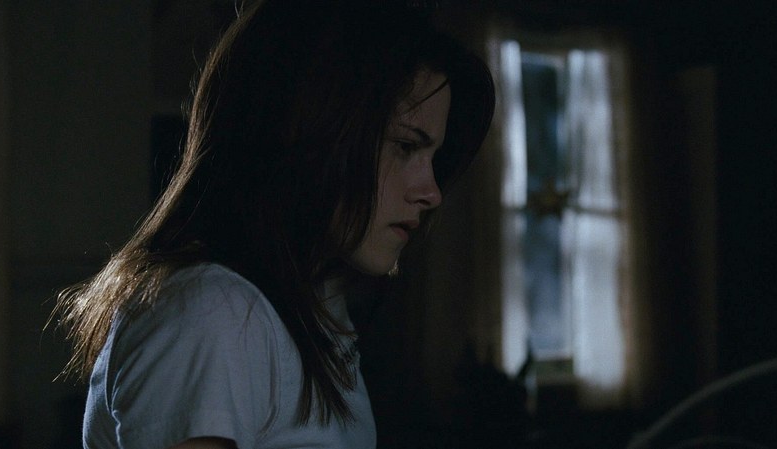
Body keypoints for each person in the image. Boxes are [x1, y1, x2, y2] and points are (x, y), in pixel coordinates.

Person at [54, 1, 494, 448]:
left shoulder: (311, 314)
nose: (431, 192)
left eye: (433, 157)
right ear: (309, 127)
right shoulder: (214, 310)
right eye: (405, 145)